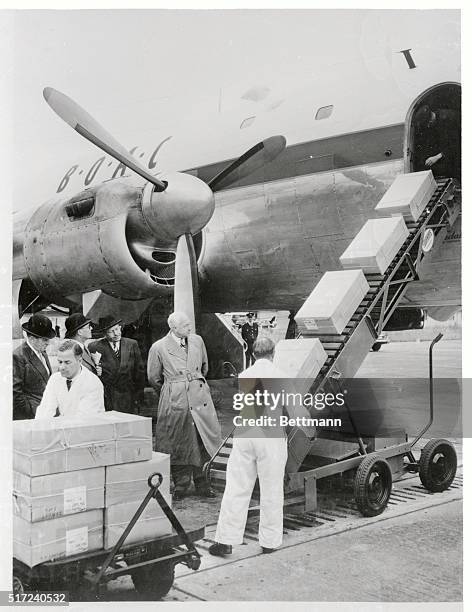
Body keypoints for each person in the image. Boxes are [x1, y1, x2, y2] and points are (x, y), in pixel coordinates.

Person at [209, 336, 289, 557]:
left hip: (246, 435)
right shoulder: (281, 376)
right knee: (271, 489)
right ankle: (269, 542)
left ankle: (225, 540)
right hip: (271, 437)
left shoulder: (245, 375)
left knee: (236, 487)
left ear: (253, 355)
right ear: (274, 354)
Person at [147, 311, 222, 499]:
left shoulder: (197, 341)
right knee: (178, 441)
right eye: (186, 326)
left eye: (189, 324)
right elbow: (153, 377)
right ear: (173, 328)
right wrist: (173, 391)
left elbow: (205, 367)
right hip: (176, 399)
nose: (190, 328)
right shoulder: (158, 347)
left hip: (199, 396)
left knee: (202, 440)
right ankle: (181, 485)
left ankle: (203, 483)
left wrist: (195, 385)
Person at [35, 340, 105, 418]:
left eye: (67, 362)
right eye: (60, 362)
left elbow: (83, 420)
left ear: (79, 361)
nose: (62, 367)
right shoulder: (55, 379)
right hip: (66, 426)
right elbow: (45, 410)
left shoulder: (92, 383)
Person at [89, 316, 144, 414]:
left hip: (128, 396)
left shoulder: (131, 344)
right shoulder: (95, 347)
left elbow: (139, 372)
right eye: (111, 331)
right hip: (108, 397)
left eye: (117, 329)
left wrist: (138, 395)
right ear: (105, 333)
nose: (116, 333)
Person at [13, 313, 55, 420]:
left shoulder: (42, 352)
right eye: (45, 340)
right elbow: (15, 393)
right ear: (31, 338)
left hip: (46, 411)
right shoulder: (18, 356)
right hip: (32, 416)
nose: (48, 343)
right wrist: (32, 412)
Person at [414, 104, 461, 181]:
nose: (428, 126)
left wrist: (437, 156)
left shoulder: (448, 120)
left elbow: (456, 143)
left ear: (430, 119)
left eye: (428, 124)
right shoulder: (437, 118)